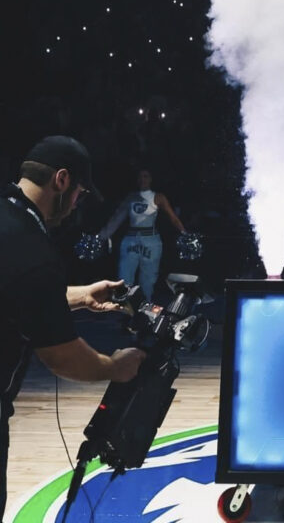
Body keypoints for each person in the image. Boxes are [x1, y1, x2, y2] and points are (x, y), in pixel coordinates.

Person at [0, 136, 145, 522]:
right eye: (80, 192)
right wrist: (114, 366)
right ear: (61, 181)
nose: (78, 203)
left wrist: (79, 296)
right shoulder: (32, 246)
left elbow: (15, 293)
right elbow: (63, 357)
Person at [99, 168, 185, 301]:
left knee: (148, 279)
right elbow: (116, 219)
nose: (142, 180)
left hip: (151, 241)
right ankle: (124, 308)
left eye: (146, 176)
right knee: (124, 277)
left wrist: (184, 233)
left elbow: (172, 217)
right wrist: (100, 236)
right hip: (131, 240)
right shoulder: (131, 197)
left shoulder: (158, 197)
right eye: (140, 177)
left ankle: (145, 309)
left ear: (151, 179)